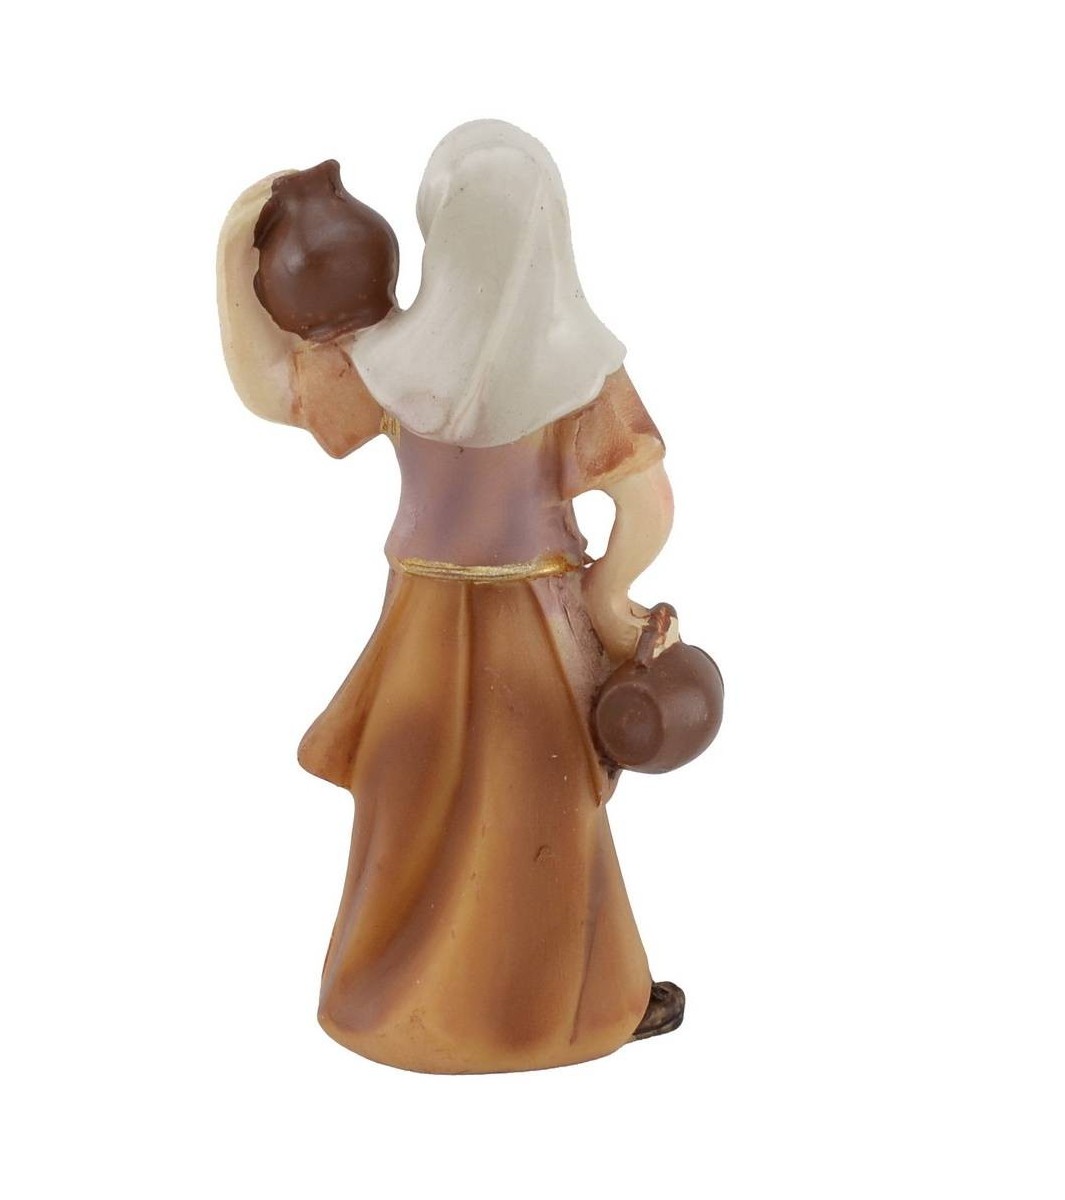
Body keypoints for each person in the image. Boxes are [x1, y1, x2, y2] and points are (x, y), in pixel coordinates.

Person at [218, 120, 683, 1073]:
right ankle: (553, 1006)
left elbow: (273, 390)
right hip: (536, 626)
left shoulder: (393, 361)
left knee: (414, 796)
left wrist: (235, 260)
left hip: (424, 624)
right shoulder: (581, 372)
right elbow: (649, 503)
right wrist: (609, 595)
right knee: (538, 802)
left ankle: (395, 997)